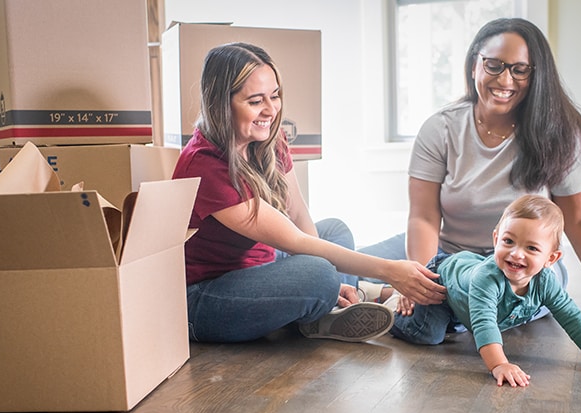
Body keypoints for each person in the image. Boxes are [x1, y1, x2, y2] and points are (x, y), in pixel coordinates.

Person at [360, 17, 581, 320]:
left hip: (522, 263)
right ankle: (375, 292)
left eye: (520, 70)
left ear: (536, 75)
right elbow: (423, 217)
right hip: (447, 252)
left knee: (490, 298)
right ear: (475, 65)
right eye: (494, 65)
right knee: (343, 263)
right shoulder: (440, 128)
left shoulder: (562, 135)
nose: (505, 79)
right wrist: (422, 277)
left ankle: (398, 299)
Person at [171, 42, 446, 344]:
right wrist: (392, 271)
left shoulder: (268, 141)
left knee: (335, 231)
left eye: (274, 96)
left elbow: (298, 213)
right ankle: (341, 297)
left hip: (262, 263)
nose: (271, 110)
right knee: (319, 273)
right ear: (220, 104)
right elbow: (295, 241)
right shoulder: (205, 165)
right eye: (255, 101)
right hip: (207, 297)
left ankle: (339, 299)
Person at [391, 195, 581, 387]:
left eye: (531, 248)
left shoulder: (545, 281)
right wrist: (499, 365)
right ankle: (391, 310)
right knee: (429, 335)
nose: (516, 253)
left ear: (551, 258)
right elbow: (485, 325)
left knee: (456, 324)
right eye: (508, 241)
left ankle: (383, 292)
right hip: (440, 279)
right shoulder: (486, 280)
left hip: (462, 293)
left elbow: (571, 315)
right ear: (496, 238)